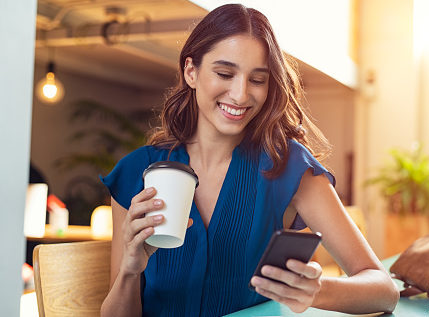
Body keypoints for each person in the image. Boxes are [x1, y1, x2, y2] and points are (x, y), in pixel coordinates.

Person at [100, 4, 399, 317]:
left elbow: (384, 290)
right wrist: (129, 273)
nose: (241, 95)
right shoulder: (136, 173)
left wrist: (317, 289)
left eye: (257, 79)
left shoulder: (290, 167)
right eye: (225, 73)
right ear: (191, 71)